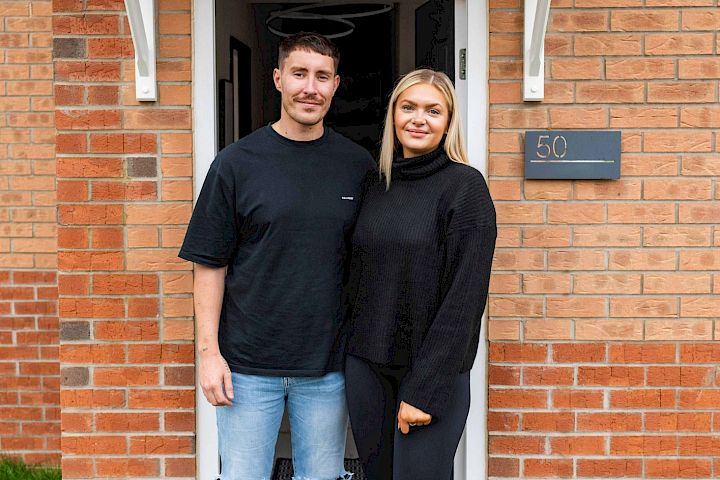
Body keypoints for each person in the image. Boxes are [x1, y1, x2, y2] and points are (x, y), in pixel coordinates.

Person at [179, 32, 374, 480]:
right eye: (299, 74)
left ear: (336, 85)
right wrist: (209, 355)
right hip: (246, 367)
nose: (311, 87)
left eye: (322, 77)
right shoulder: (236, 163)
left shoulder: (357, 165)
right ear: (278, 79)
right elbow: (209, 264)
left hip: (328, 365)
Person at [343, 69, 497, 480]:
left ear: (448, 122)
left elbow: (464, 302)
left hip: (430, 374)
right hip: (367, 370)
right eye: (408, 107)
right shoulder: (374, 185)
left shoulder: (465, 189)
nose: (418, 119)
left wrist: (424, 389)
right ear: (393, 114)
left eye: (433, 110)